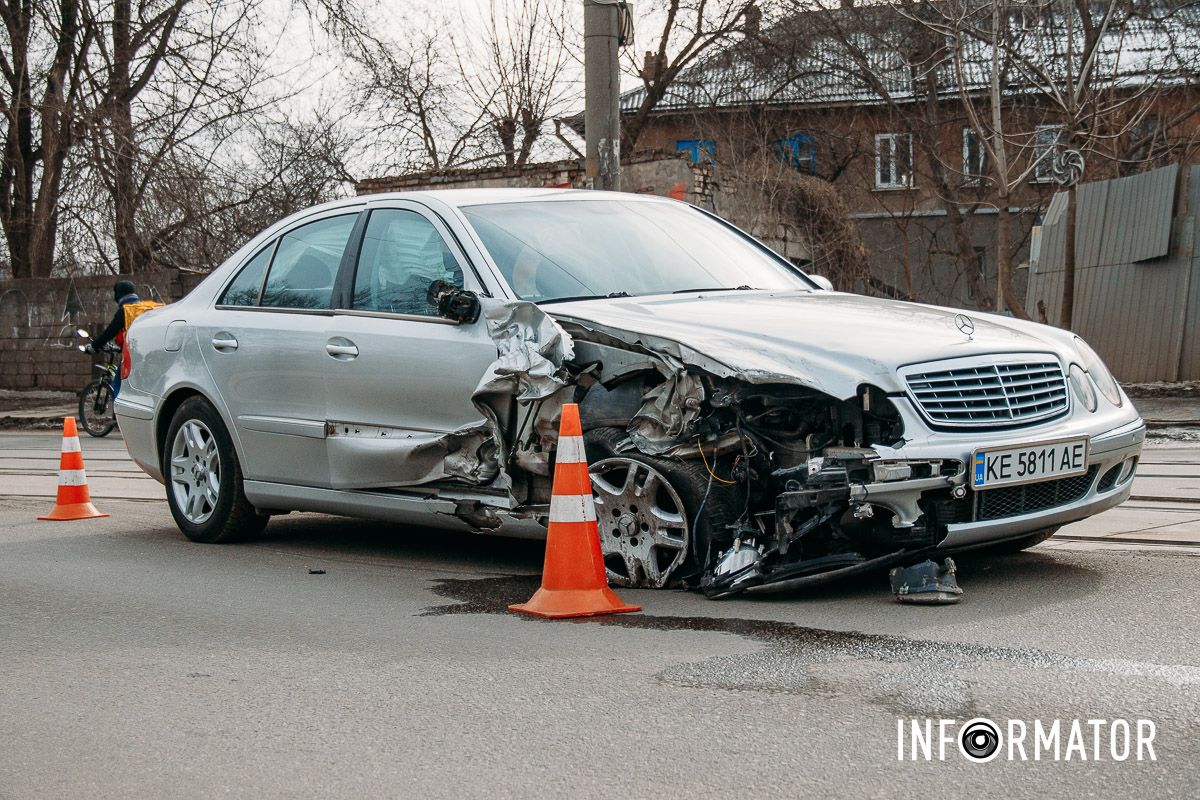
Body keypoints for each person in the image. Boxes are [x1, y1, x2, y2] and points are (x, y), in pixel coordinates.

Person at [85, 280, 140, 397]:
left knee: (118, 384)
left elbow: (109, 333)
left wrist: (94, 347)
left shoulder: (125, 311)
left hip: (133, 356)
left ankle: (118, 408)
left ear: (118, 295)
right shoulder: (145, 308)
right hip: (150, 355)